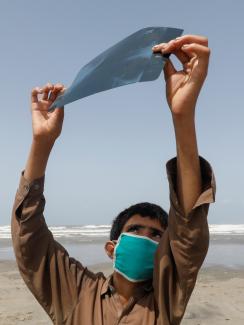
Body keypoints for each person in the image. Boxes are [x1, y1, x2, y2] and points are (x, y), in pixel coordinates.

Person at [11, 34, 216, 325]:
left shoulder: (166, 299)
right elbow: (28, 241)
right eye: (135, 229)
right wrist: (41, 144)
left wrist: (182, 115)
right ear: (112, 248)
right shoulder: (77, 293)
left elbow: (188, 226)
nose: (146, 237)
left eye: (157, 235)